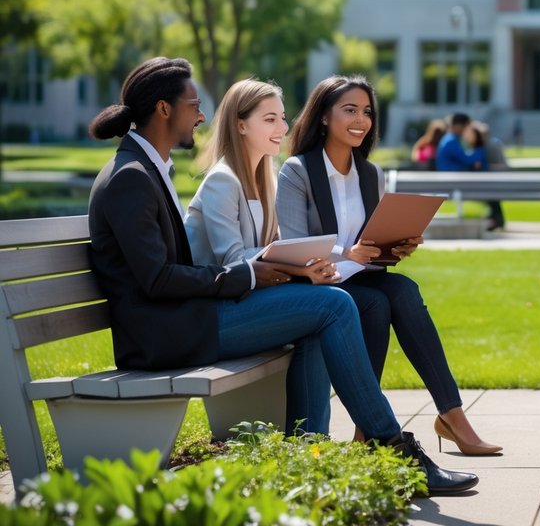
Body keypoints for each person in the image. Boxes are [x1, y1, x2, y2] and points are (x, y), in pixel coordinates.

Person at [86, 59, 476, 496]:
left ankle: (308, 456)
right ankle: (392, 445)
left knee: (323, 311)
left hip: (186, 318)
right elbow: (157, 280)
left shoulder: (147, 170)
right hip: (165, 334)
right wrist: (251, 275)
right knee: (333, 304)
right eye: (194, 106)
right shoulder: (130, 179)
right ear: (163, 109)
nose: (200, 116)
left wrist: (277, 271)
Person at [277, 76, 501, 457]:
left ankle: (451, 412)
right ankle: (369, 429)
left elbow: (372, 244)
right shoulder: (297, 171)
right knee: (377, 304)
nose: (361, 120)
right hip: (319, 285)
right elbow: (295, 248)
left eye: (366, 112)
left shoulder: (370, 174)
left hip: (362, 278)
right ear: (324, 117)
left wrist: (395, 246)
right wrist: (349, 253)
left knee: (404, 290)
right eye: (350, 110)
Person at [467, 120, 506, 231]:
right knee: (492, 194)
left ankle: (496, 219)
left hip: (491, 180)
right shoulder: (493, 143)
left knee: (491, 192)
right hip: (494, 181)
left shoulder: (486, 146)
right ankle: (496, 218)